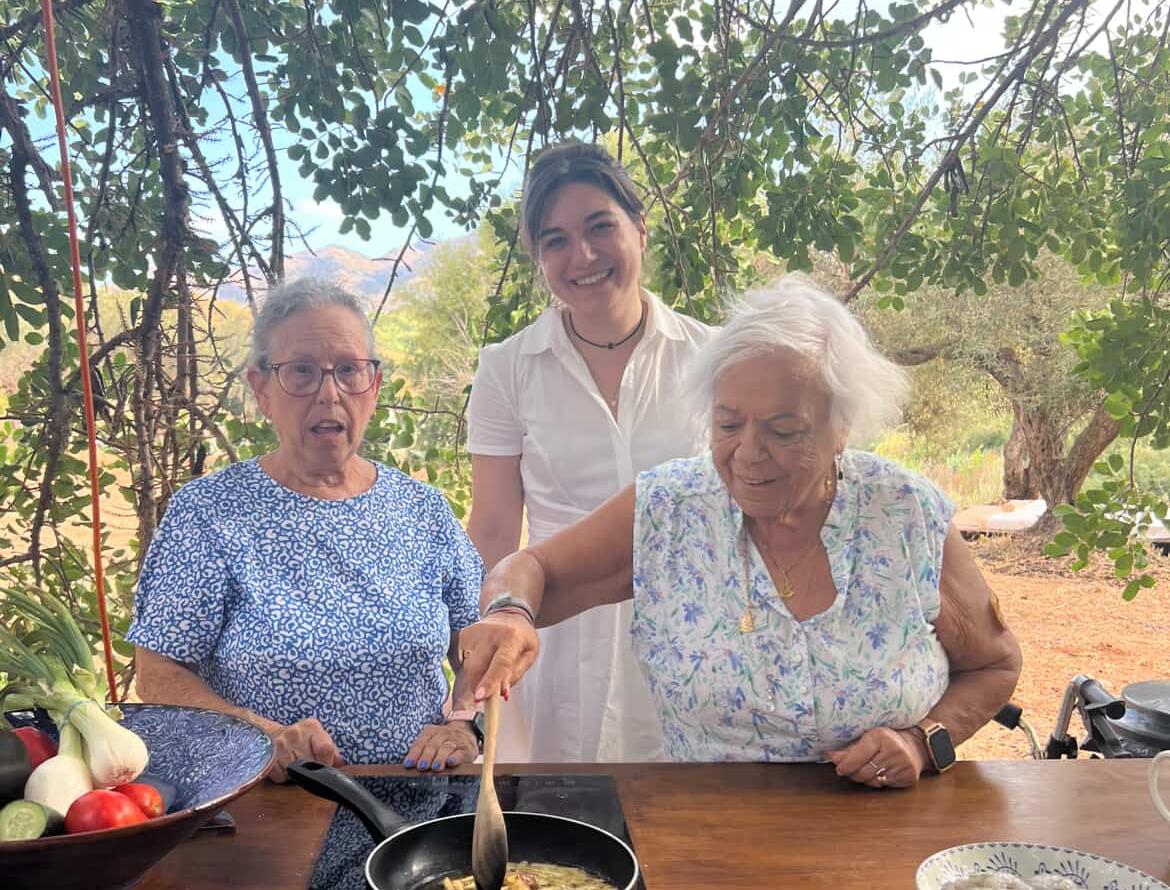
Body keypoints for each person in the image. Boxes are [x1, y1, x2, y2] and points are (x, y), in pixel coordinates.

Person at [459, 275, 1022, 785]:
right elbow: (531, 569)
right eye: (728, 424)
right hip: (706, 838)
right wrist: (510, 613)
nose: (749, 455)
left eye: (784, 430)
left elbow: (993, 665)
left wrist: (923, 743)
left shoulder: (905, 513)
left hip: (880, 839)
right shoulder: (670, 509)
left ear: (842, 426)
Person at [130, 279, 484, 777]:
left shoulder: (422, 510)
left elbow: (479, 645)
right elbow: (158, 672)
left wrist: (464, 723)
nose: (329, 393)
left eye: (348, 370)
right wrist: (257, 734)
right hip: (267, 802)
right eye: (301, 372)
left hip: (415, 803)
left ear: (374, 385)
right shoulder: (208, 513)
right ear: (262, 390)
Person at [467, 142, 713, 765]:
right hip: (554, 642)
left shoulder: (715, 359)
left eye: (600, 227)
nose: (581, 256)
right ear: (538, 258)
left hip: (694, 639)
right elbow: (494, 525)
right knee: (558, 838)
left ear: (640, 228)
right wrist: (480, 648)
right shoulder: (506, 369)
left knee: (689, 836)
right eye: (555, 240)